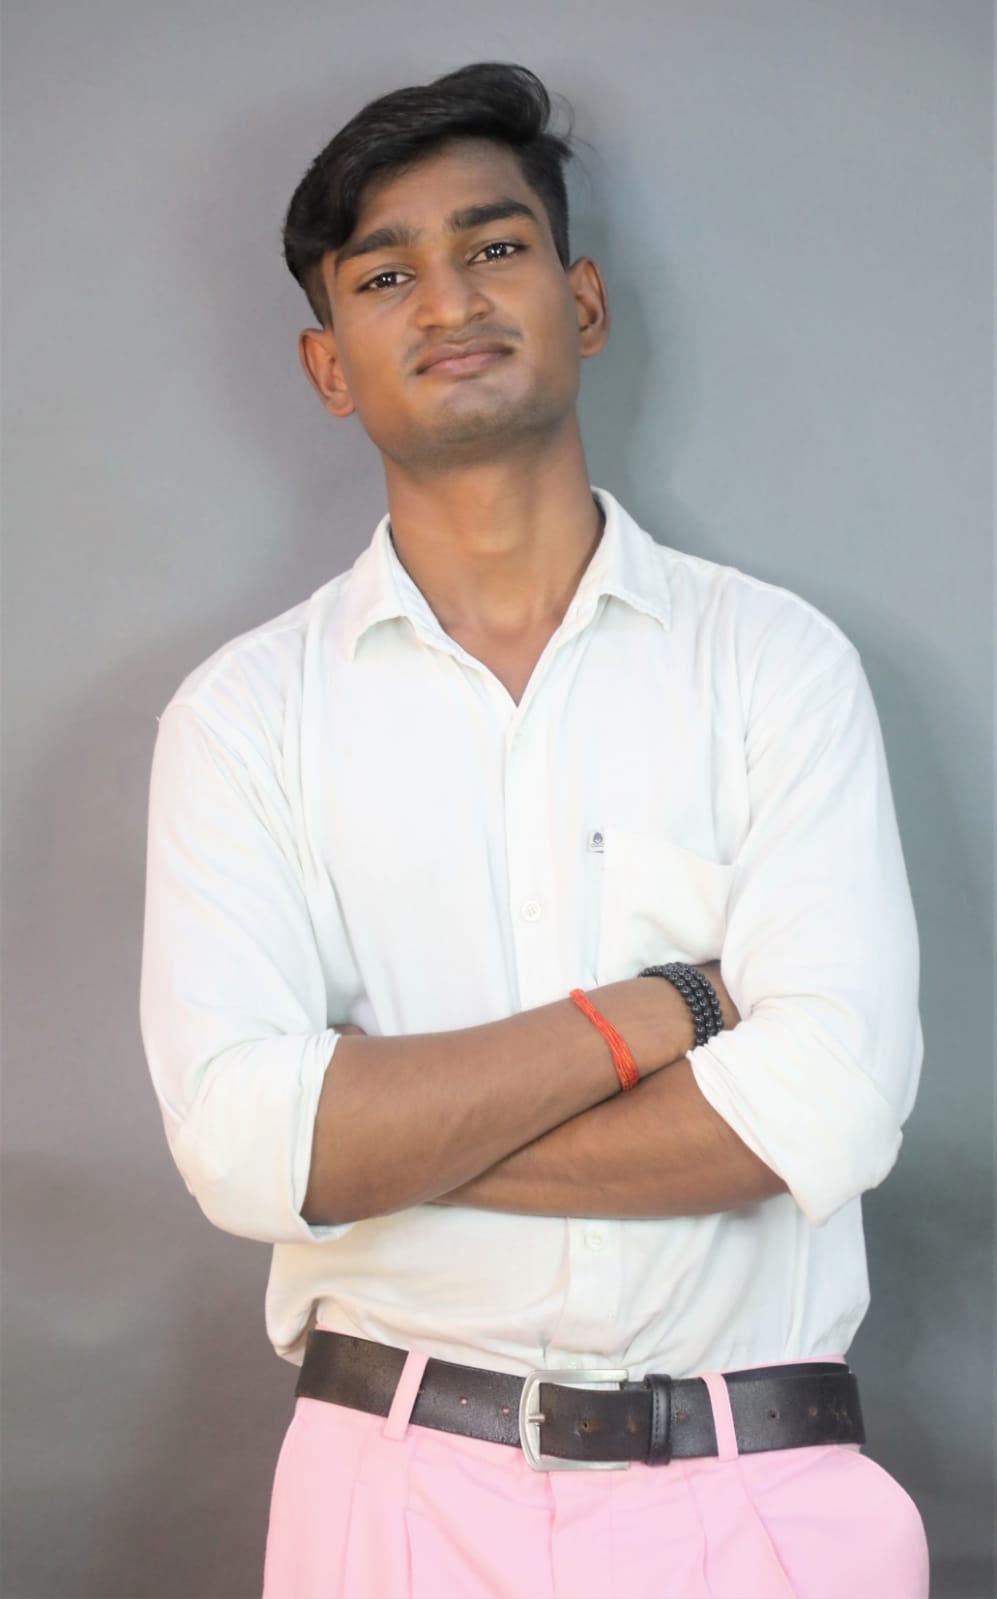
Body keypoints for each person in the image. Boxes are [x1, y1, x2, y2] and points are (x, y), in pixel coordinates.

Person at [139, 59, 930, 1599]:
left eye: (493, 246)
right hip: (390, 1504)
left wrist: (368, 1135)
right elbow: (240, 1152)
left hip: (756, 1502)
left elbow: (828, 1109)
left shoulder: (772, 666)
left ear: (581, 302)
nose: (449, 299)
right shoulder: (242, 719)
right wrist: (664, 1010)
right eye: (386, 273)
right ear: (327, 367)